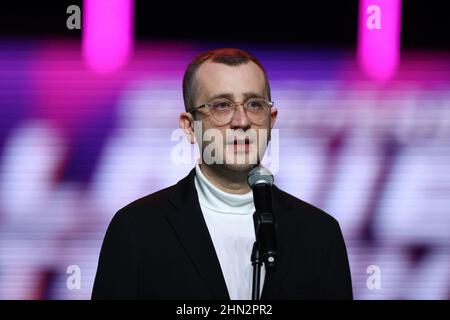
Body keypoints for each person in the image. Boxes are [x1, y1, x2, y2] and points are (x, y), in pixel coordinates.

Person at [91, 48, 353, 300]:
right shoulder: (136, 229)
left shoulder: (319, 233)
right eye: (221, 106)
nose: (241, 121)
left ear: (271, 120)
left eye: (254, 104)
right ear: (189, 127)